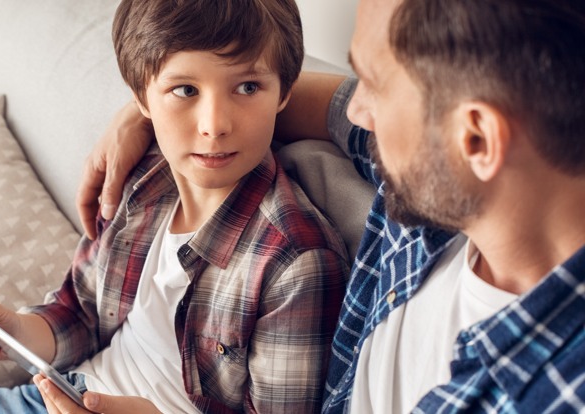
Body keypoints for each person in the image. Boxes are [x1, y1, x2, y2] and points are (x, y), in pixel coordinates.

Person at [73, 0, 585, 413]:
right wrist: (150, 109)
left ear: (475, 138)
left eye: (375, 86)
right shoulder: (443, 190)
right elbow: (282, 96)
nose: (356, 109)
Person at [0, 0, 349, 413]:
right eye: (184, 90)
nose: (214, 124)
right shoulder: (144, 175)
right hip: (48, 397)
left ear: (283, 92)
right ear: (141, 100)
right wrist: (15, 331)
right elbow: (81, 315)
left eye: (247, 87)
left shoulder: (296, 264)